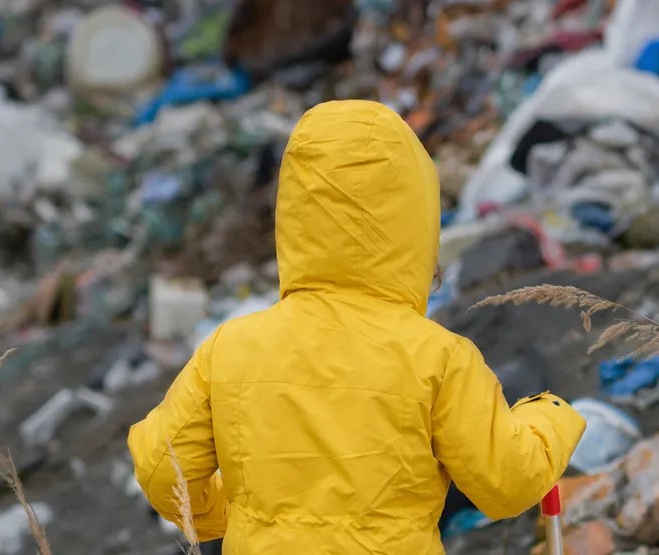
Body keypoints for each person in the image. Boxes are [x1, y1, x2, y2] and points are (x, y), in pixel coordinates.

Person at [126, 100, 585, 553]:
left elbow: (161, 470)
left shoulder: (231, 347)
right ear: (415, 224)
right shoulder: (438, 357)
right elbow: (508, 483)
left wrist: (232, 517)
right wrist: (551, 415)